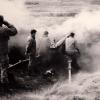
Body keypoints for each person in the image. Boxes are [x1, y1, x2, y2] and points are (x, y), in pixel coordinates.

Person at [0, 15, 17, 83]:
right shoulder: (3, 29)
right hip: (2, 53)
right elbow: (14, 31)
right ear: (2, 21)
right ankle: (4, 84)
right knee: (4, 69)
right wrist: (7, 23)